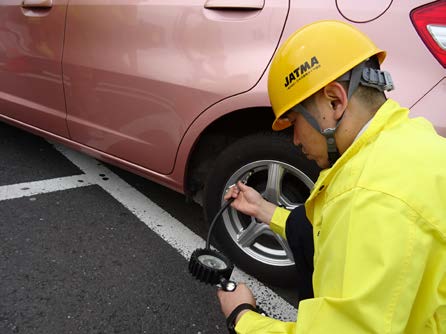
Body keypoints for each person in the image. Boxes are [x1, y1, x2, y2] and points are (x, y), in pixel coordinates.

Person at [217, 20, 446, 334]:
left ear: (335, 101)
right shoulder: (407, 140)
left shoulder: (369, 197)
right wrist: (264, 211)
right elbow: (333, 228)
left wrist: (242, 317)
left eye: (295, 121)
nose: (295, 140)